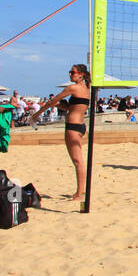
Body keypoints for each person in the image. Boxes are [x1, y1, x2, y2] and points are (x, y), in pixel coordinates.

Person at [30, 63, 92, 199]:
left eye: (73, 72)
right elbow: (73, 107)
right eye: (70, 72)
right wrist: (59, 104)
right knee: (78, 160)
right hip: (80, 125)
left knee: (77, 160)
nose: (70, 74)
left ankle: (79, 193)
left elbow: (52, 101)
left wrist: (36, 115)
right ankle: (80, 191)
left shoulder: (73, 88)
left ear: (81, 74)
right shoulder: (87, 88)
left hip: (73, 126)